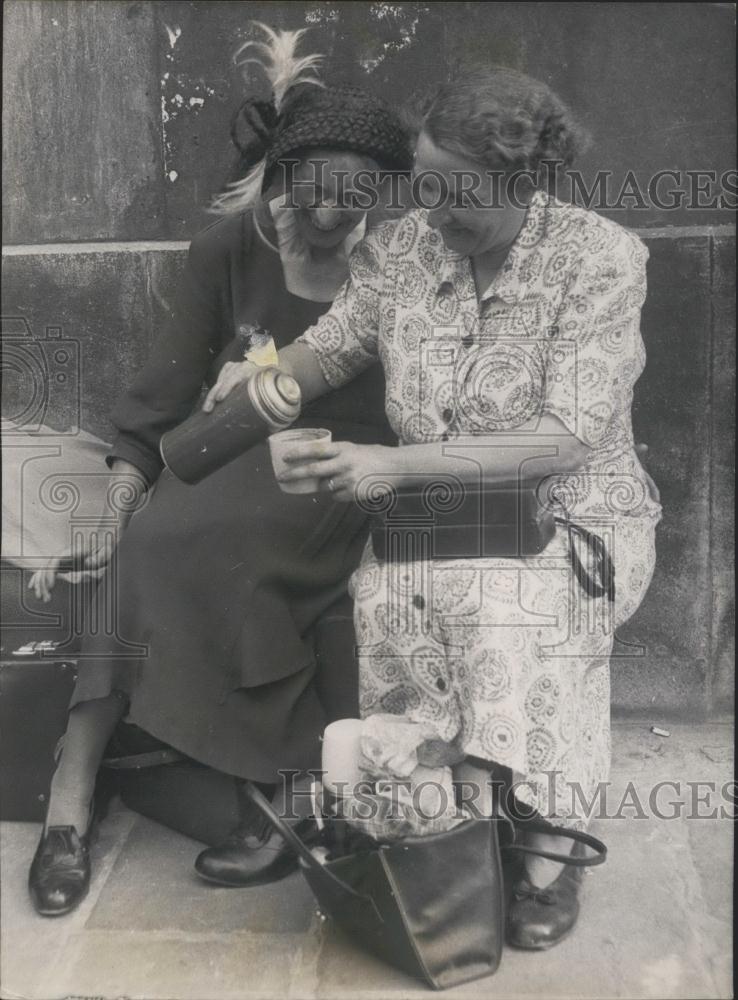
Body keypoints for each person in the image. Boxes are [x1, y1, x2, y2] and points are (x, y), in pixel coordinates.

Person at [208, 66, 662, 949]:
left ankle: (547, 846)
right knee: (386, 597)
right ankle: (437, 824)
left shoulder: (600, 260)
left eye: (463, 193)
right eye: (425, 183)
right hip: (426, 516)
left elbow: (565, 437)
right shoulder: (403, 248)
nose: (435, 209)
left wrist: (392, 463)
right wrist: (261, 384)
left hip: (570, 515)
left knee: (504, 606)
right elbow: (331, 352)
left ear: (526, 184)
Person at [27, 24, 413, 916]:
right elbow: (159, 398)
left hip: (339, 475)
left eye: (356, 209)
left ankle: (272, 792)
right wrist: (118, 505)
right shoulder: (226, 251)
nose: (335, 227)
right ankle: (69, 803)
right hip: (225, 453)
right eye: (320, 206)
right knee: (147, 553)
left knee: (269, 571)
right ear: (285, 183)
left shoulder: (399, 261)